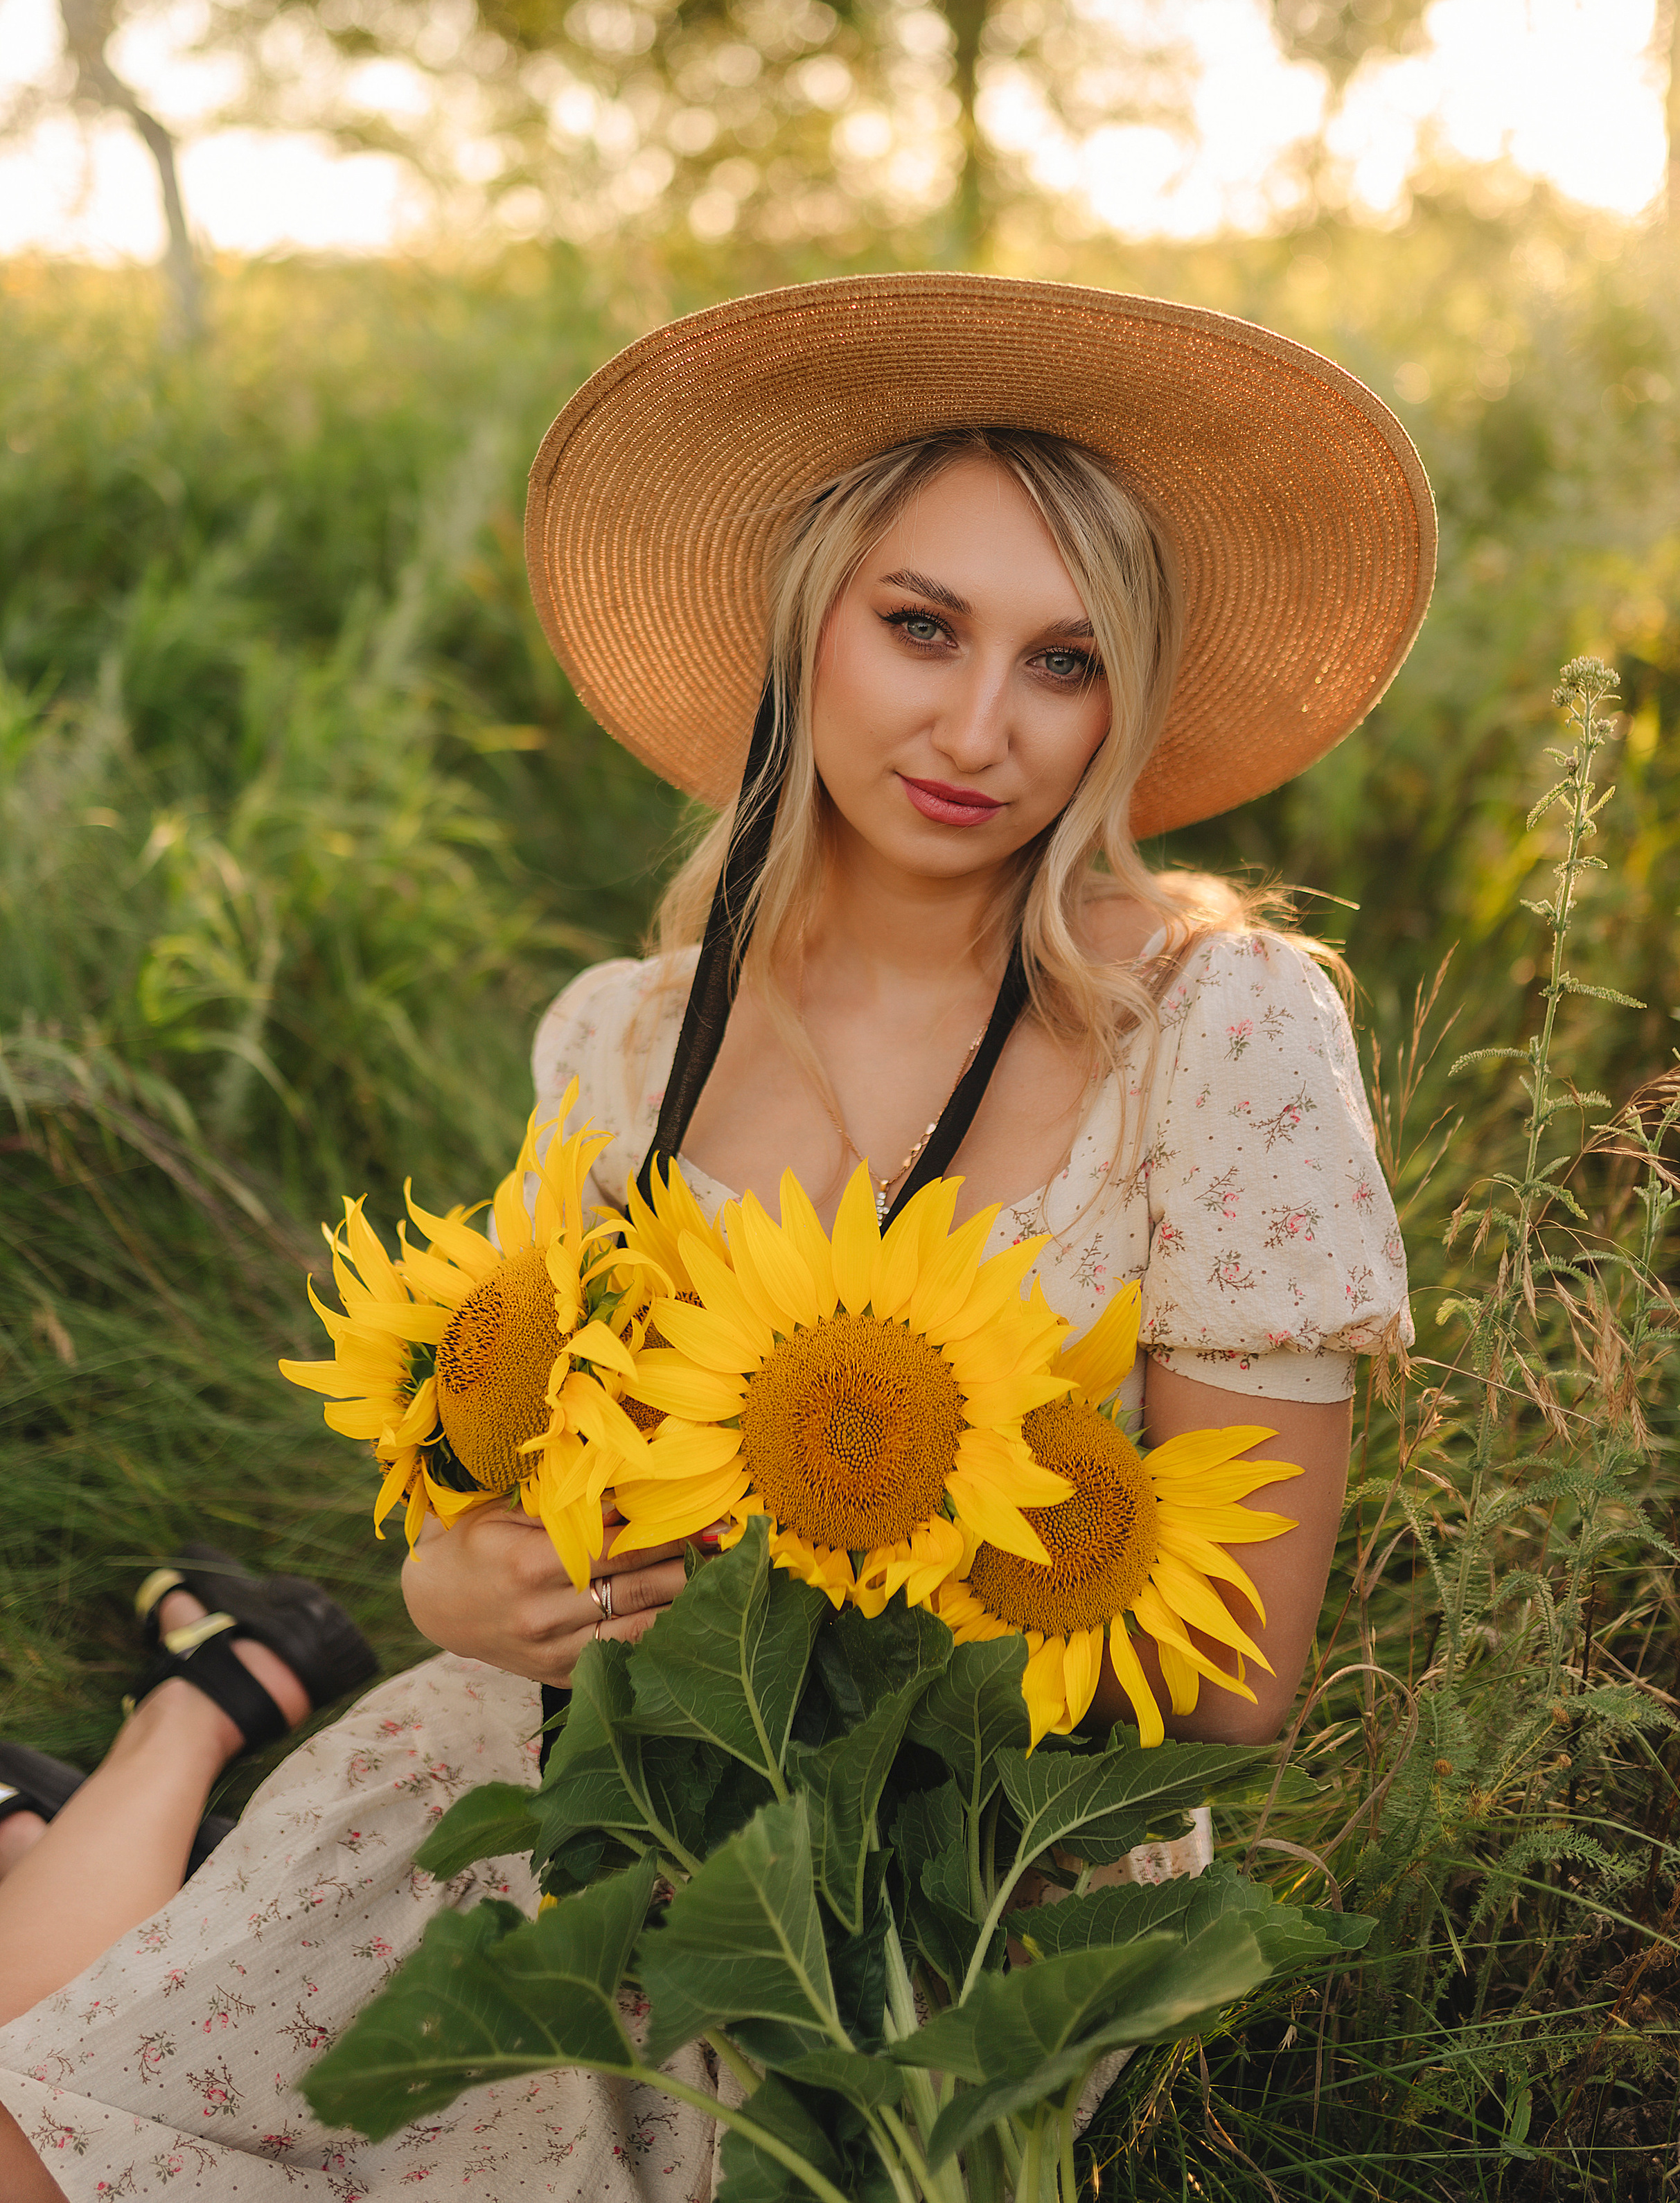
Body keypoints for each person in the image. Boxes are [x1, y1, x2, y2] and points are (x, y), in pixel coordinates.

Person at [0, 273, 1433, 2200]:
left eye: (1064, 664)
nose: (979, 728)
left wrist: (844, 1554)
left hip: (924, 1894)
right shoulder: (623, 1037)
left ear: (1128, 706)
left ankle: (143, 1758)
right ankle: (200, 1724)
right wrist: (456, 1599)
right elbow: (494, 1492)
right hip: (523, 1780)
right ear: (807, 622)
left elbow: (1234, 1681)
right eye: (920, 626)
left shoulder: (1217, 1025)